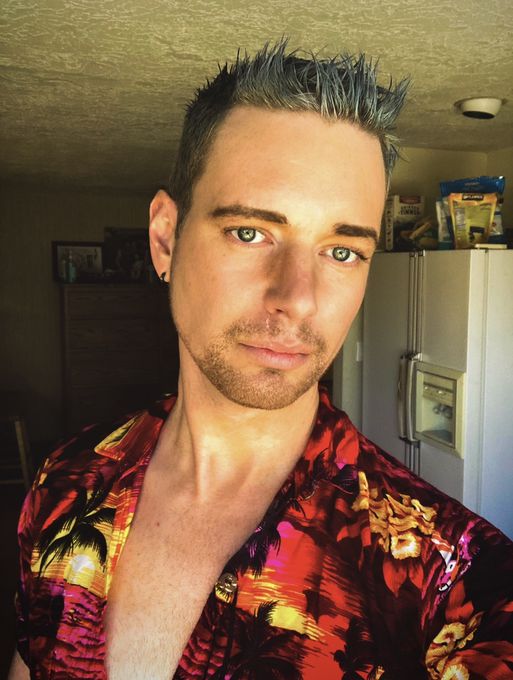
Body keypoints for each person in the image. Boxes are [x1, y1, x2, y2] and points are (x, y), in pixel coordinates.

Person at [9, 41, 513, 680]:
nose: (297, 298)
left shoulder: (454, 581)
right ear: (164, 240)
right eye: (250, 233)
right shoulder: (64, 479)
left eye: (343, 251)